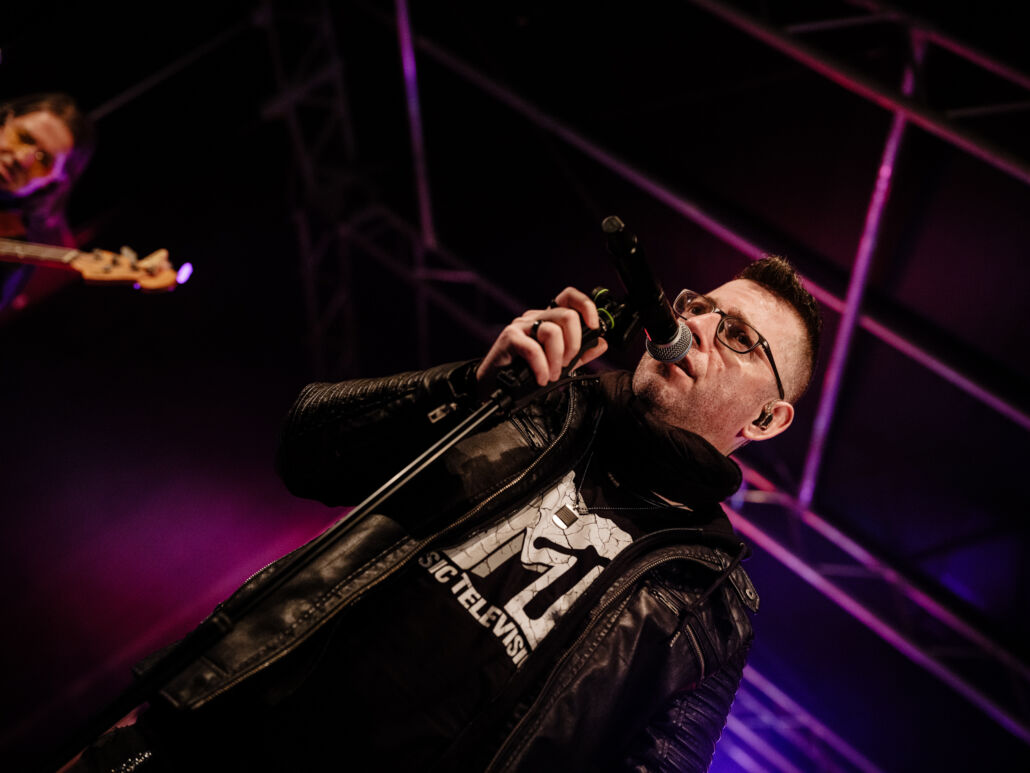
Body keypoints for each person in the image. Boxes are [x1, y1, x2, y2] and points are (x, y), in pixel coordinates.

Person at [68, 254, 821, 772]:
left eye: (738, 337)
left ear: (767, 419)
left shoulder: (709, 607)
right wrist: (469, 386)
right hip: (199, 745)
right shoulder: (546, 401)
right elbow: (306, 449)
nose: (696, 329)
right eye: (699, 307)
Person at [0, 92, 94, 310]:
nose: (22, 159)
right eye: (23, 137)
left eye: (43, 160)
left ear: (52, 182)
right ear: (6, 119)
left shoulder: (12, 260)